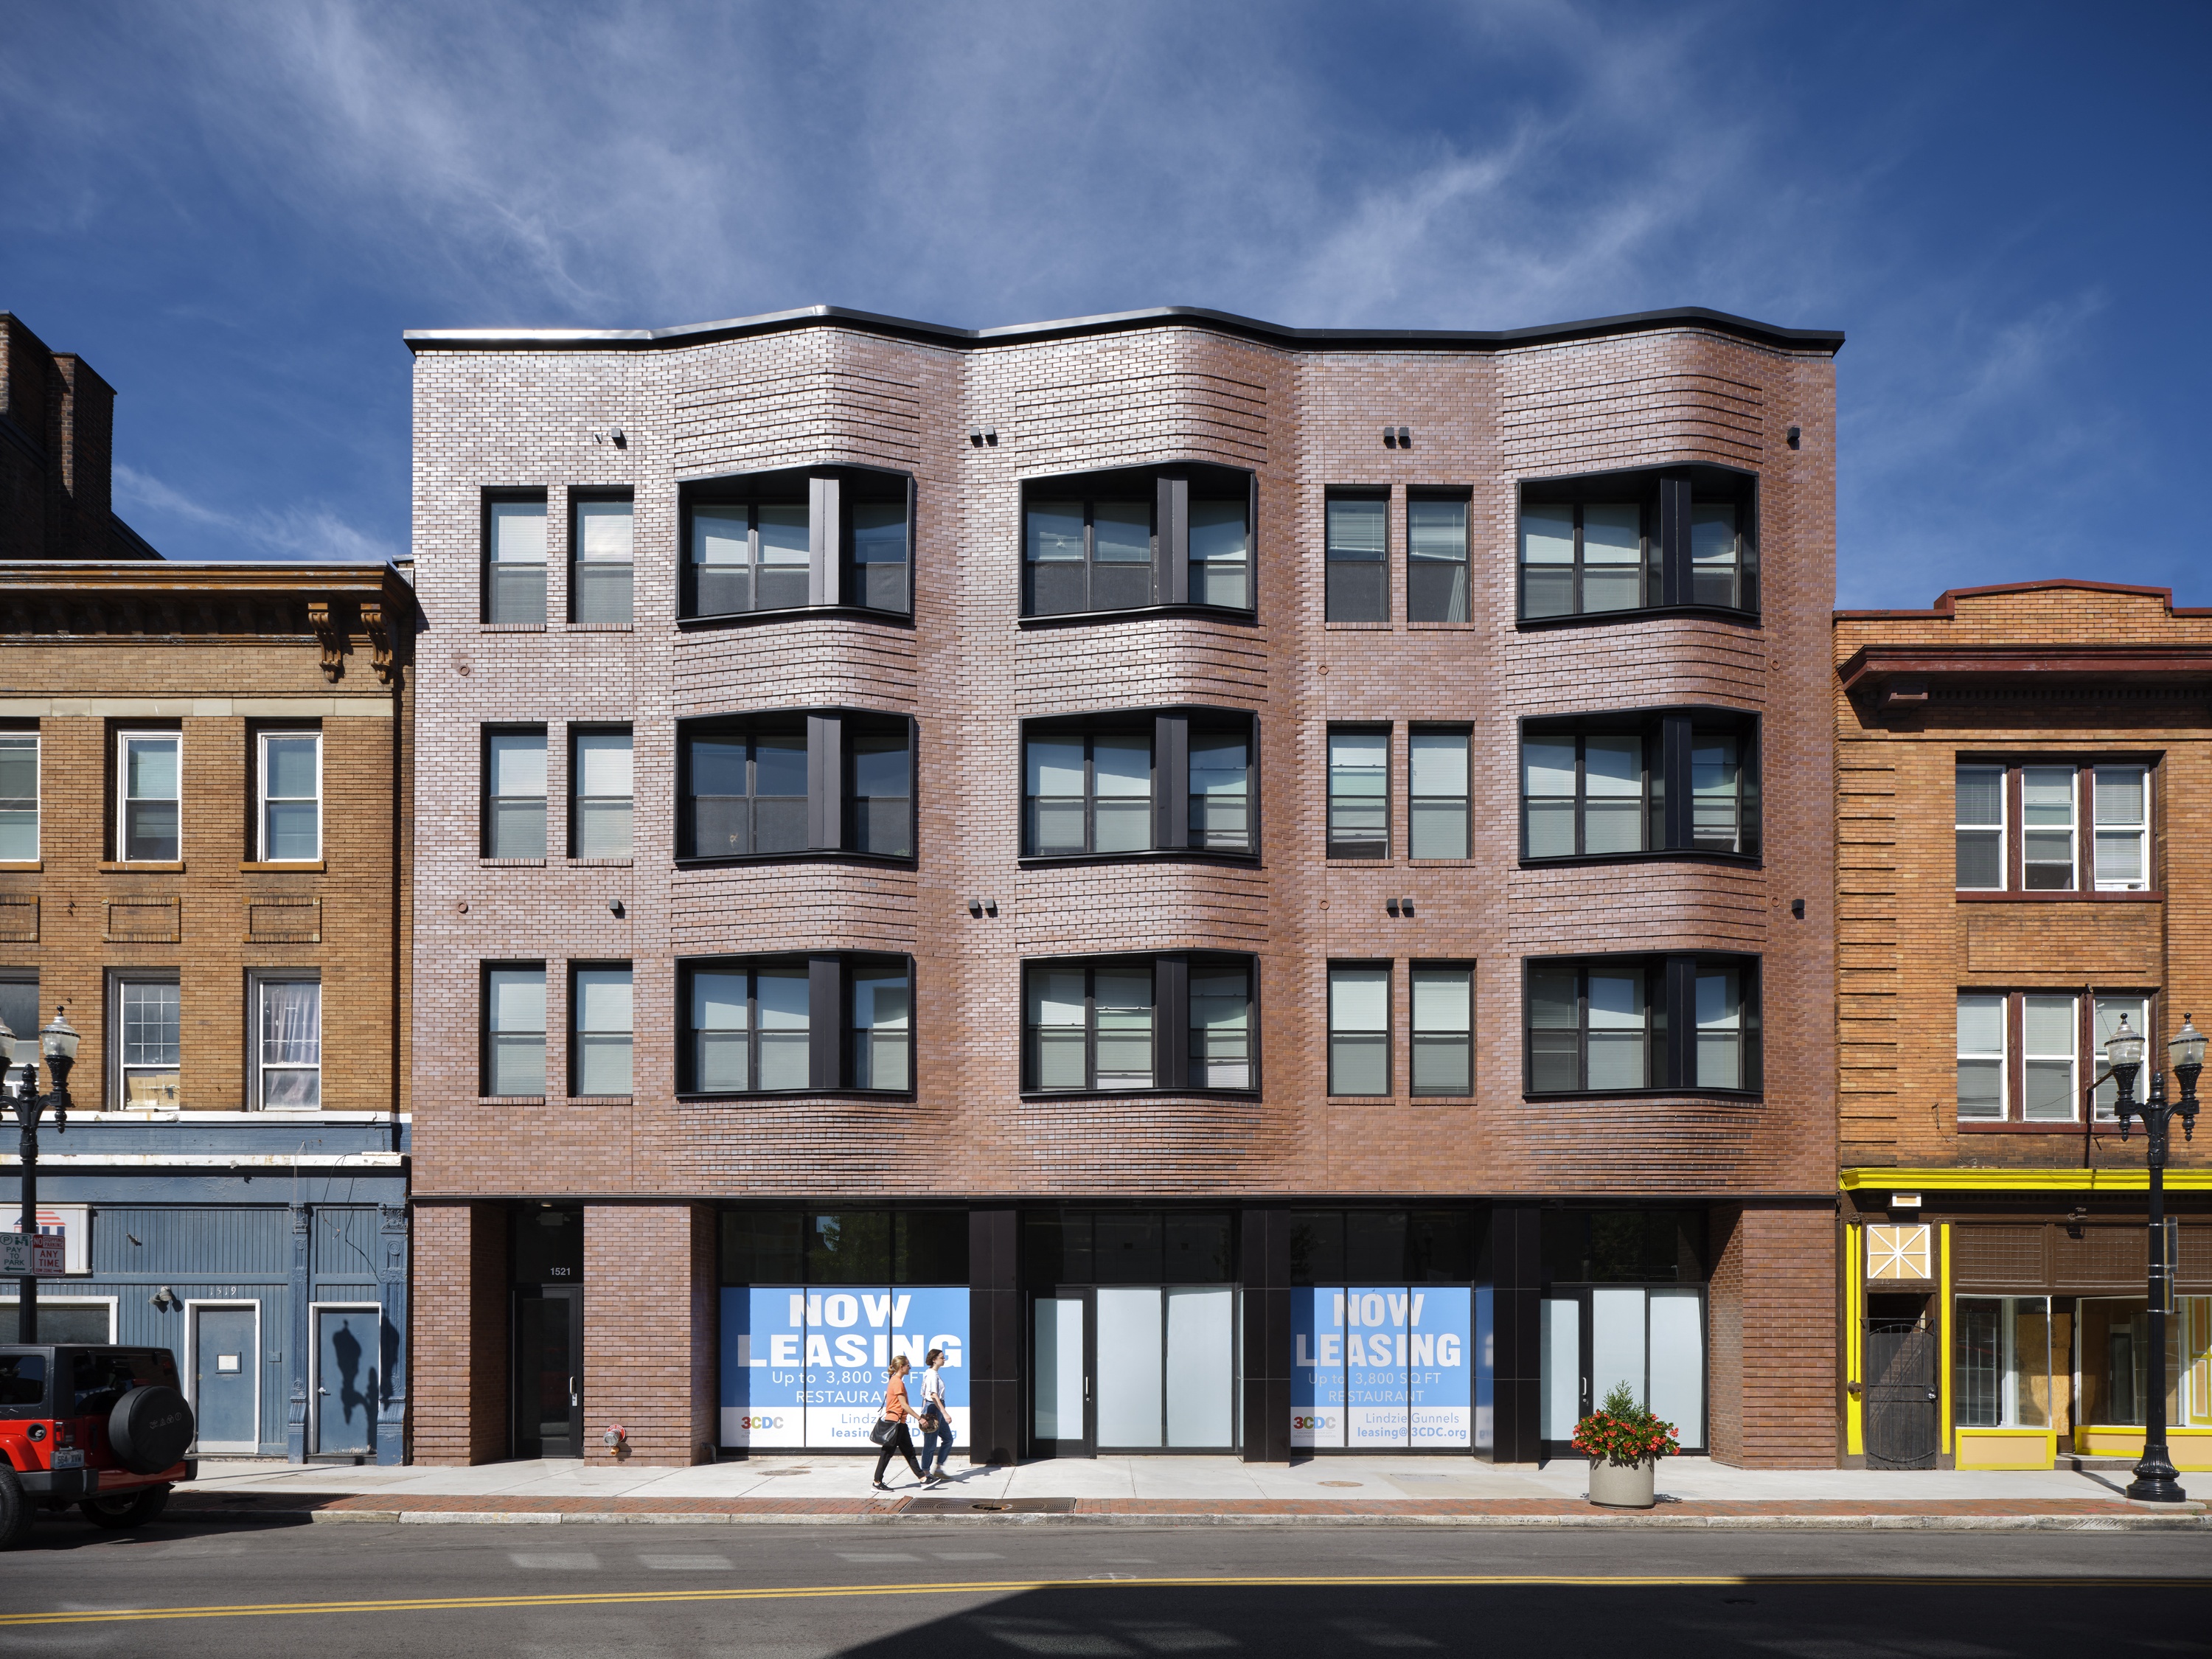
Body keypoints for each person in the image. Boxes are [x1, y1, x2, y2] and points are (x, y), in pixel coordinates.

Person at [871, 1354, 925, 1491]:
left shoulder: (896, 1380)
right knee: (887, 1453)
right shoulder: (897, 1382)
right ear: (901, 1367)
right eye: (908, 1365)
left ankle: (923, 1478)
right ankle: (877, 1482)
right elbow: (904, 1405)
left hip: (900, 1423)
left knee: (909, 1452)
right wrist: (919, 1418)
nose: (910, 1368)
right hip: (895, 1423)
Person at [915, 1347, 955, 1483]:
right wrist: (944, 1413)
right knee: (930, 1444)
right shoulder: (932, 1374)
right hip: (933, 1409)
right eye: (942, 1357)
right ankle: (926, 1473)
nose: (944, 1359)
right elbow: (933, 1395)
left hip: (935, 1408)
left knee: (948, 1439)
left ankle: (938, 1469)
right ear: (934, 1359)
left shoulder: (933, 1374)